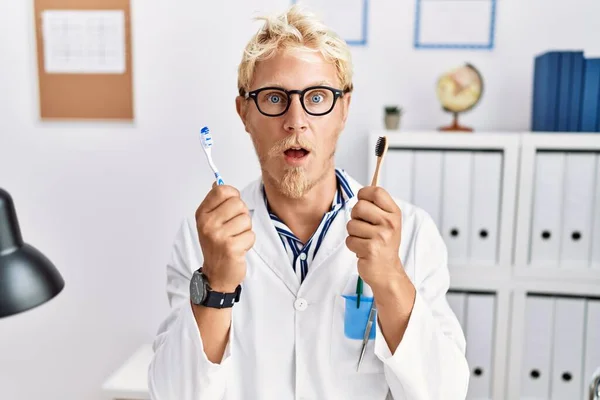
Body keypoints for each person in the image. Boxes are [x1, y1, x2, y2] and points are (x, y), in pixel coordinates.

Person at [148, 5, 469, 399]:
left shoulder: (413, 233)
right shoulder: (202, 238)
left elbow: (444, 393)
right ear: (244, 112)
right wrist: (215, 283)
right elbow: (173, 393)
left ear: (344, 109)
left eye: (317, 97)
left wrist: (390, 279)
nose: (296, 120)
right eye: (274, 97)